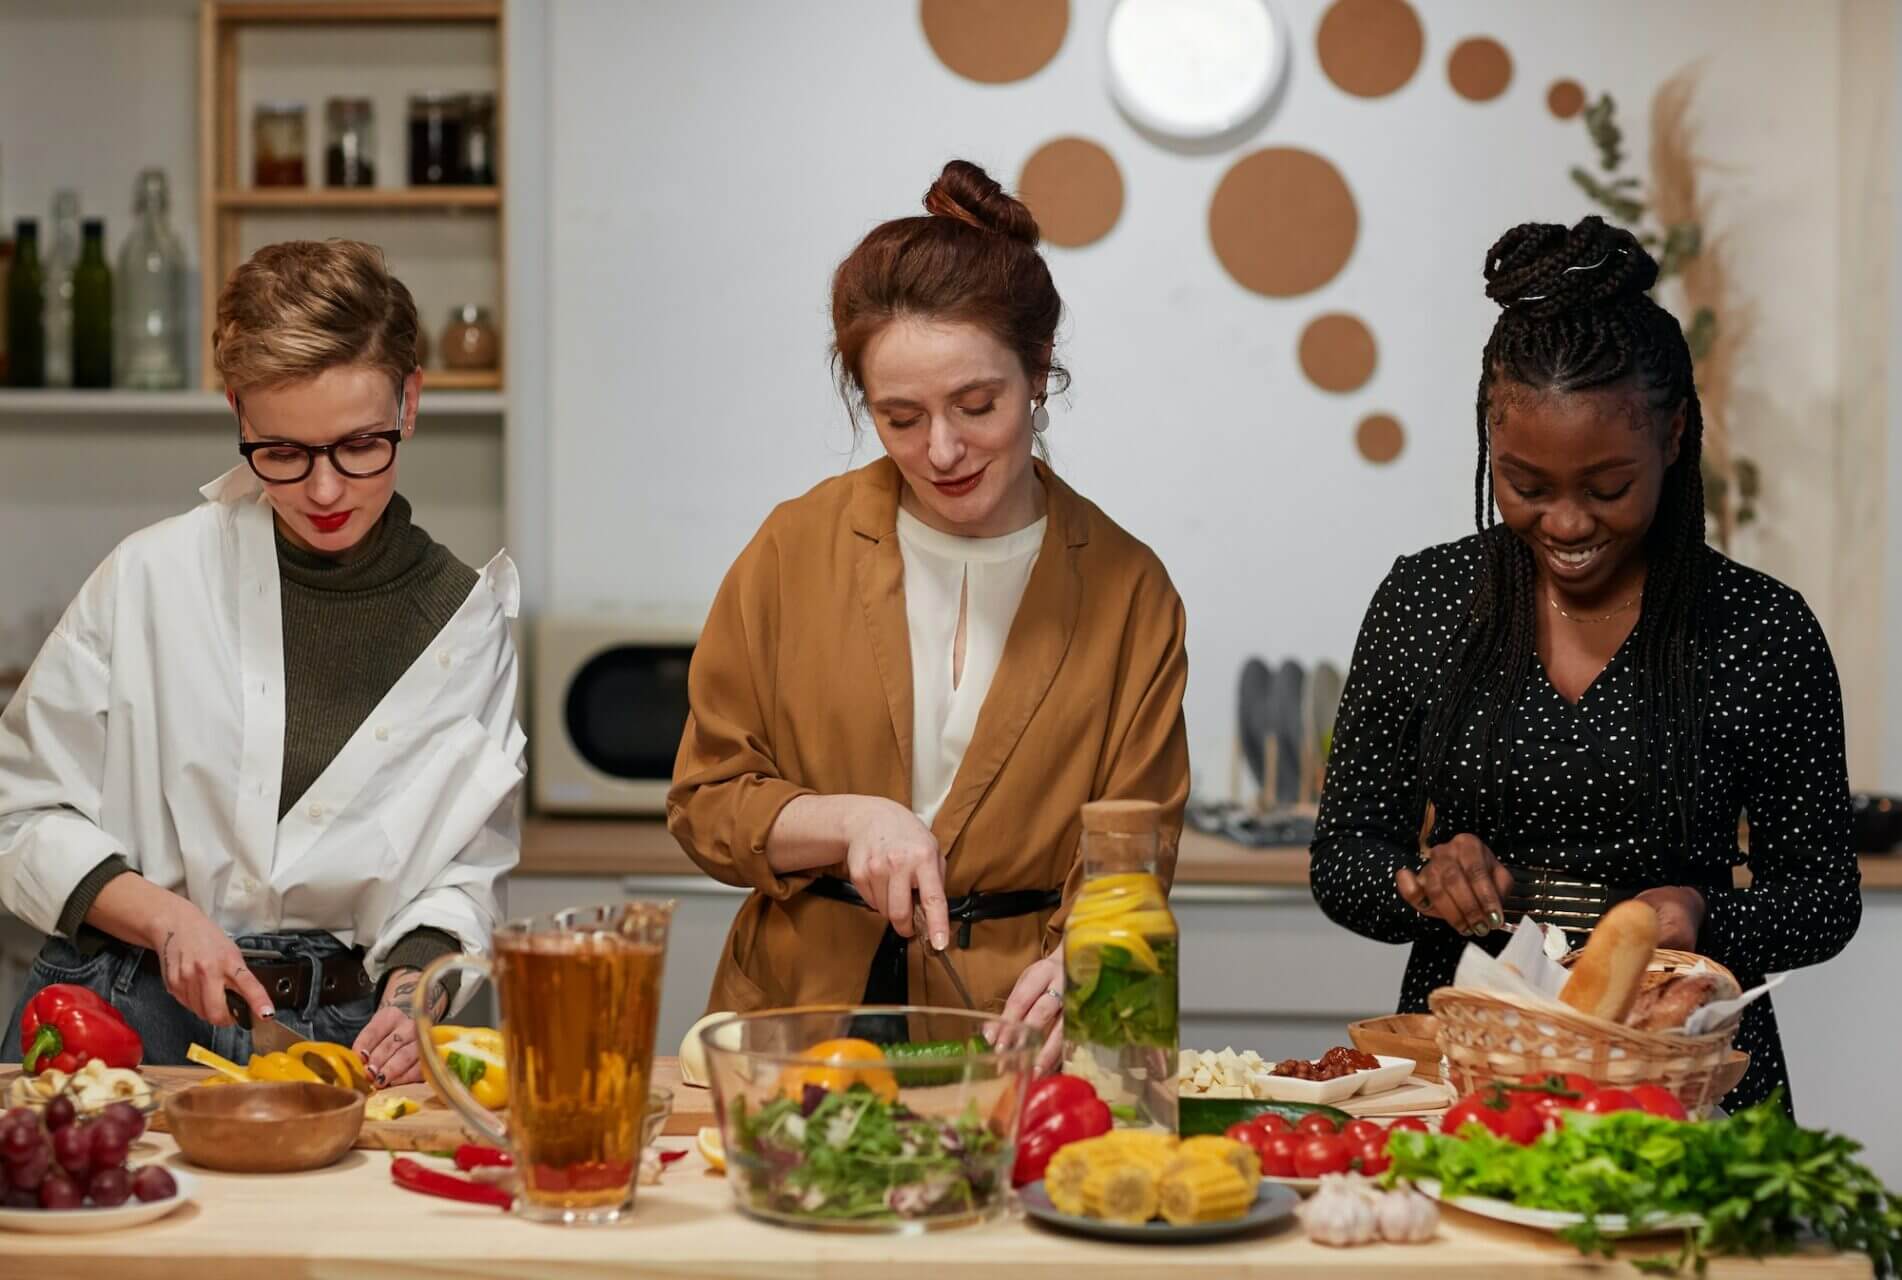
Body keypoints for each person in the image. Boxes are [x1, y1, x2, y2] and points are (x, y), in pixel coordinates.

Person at [1310, 216, 1859, 1111]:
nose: (1566, 523)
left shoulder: (1759, 628)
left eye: (1607, 489)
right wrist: (1418, 882)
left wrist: (1699, 911)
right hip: (1472, 1059)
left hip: (1681, 1068)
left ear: (1674, 436)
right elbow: (1343, 858)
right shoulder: (1427, 602)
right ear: (1491, 438)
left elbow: (1825, 896)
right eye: (1526, 486)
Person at [669, 161, 1190, 1067]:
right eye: (900, 418)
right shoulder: (795, 550)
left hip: (1010, 1038)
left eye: (976, 406)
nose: (942, 450)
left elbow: (1133, 854)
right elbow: (705, 802)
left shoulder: (1129, 590)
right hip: (794, 1024)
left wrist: (1086, 954)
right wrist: (850, 821)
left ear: (1037, 373)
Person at [0, 240, 524, 1086]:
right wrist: (163, 917)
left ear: (411, 402)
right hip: (123, 1012)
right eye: (282, 452)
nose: (324, 491)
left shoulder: (467, 622)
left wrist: (418, 984)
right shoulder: (150, 577)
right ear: (239, 414)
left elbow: (466, 870)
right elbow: (16, 812)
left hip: (352, 1036)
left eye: (360, 445)